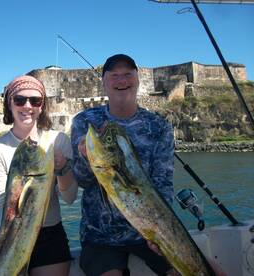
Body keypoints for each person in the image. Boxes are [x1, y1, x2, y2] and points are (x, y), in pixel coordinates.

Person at [71, 53, 192, 276]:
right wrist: (83, 157)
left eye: (127, 74)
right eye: (114, 75)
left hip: (148, 232)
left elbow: (162, 185)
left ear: (138, 79)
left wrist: (161, 234)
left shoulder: (159, 127)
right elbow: (83, 181)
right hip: (100, 236)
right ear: (104, 82)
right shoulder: (85, 121)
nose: (121, 80)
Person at [0, 75, 78, 276]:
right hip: (8, 232)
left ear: (42, 106)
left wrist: (62, 168)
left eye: (35, 100)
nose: (28, 106)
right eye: (20, 100)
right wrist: (10, 247)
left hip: (49, 233)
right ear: (10, 103)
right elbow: (2, 204)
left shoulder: (58, 141)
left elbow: (69, 198)